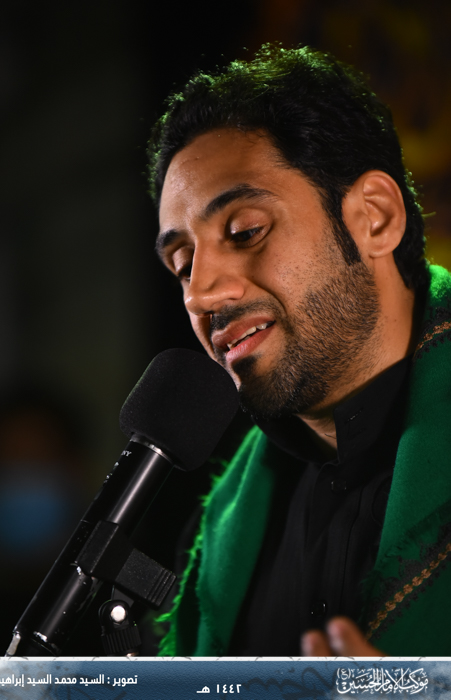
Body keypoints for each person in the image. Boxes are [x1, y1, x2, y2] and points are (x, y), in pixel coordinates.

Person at [148, 45, 451, 656]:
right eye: (182, 265)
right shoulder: (220, 539)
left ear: (374, 218)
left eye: (245, 232)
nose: (201, 294)